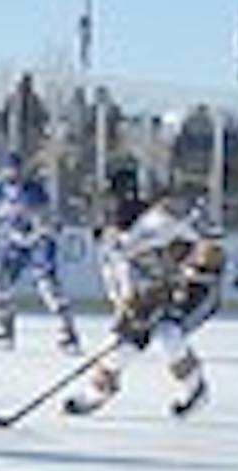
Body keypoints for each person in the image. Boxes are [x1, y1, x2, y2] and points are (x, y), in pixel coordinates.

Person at [63, 169, 224, 418]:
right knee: (117, 347)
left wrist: (190, 269)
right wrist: (126, 308)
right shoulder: (111, 239)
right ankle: (98, 392)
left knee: (169, 334)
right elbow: (118, 281)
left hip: (194, 291)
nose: (106, 207)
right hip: (149, 298)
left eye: (110, 199)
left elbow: (209, 245)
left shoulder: (159, 220)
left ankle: (195, 390)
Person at [0, 151, 80, 353]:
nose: (12, 174)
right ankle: (3, 325)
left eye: (16, 170)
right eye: (8, 170)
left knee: (47, 286)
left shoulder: (34, 190)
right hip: (12, 241)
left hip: (37, 241)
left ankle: (66, 331)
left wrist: (42, 233)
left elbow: (45, 217)